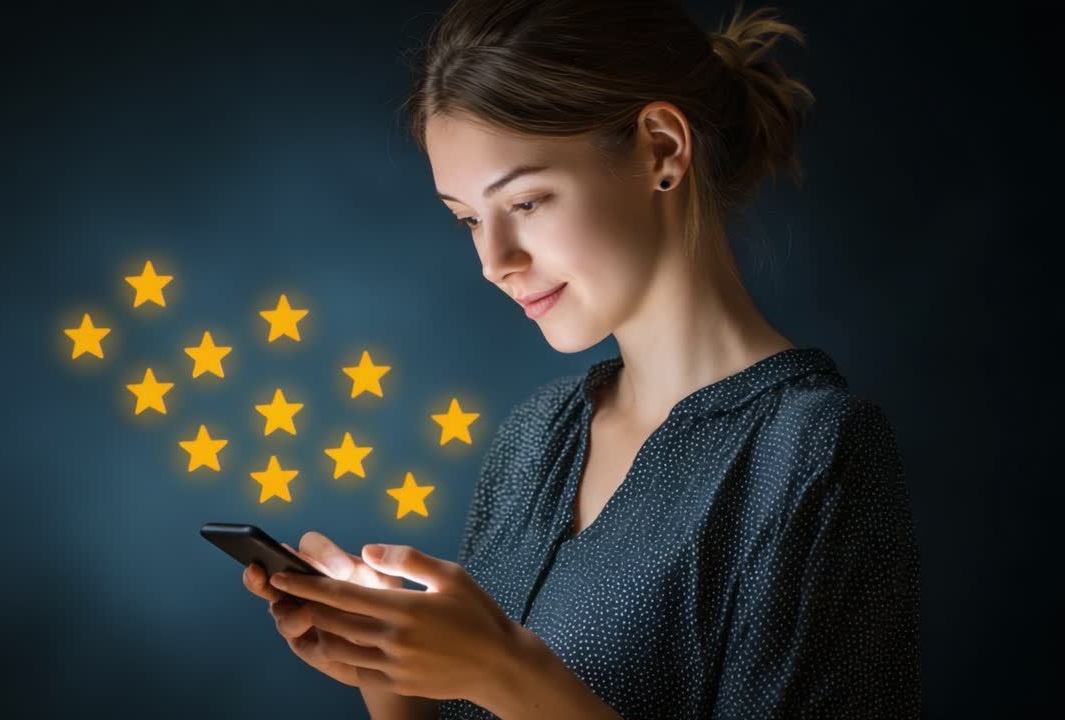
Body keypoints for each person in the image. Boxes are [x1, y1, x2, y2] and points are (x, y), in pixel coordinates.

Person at [242, 0, 922, 717]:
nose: (493, 261)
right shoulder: (536, 436)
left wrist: (505, 672)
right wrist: (391, 676)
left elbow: (507, 682)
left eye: (526, 202)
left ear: (662, 148)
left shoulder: (816, 453)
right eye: (468, 219)